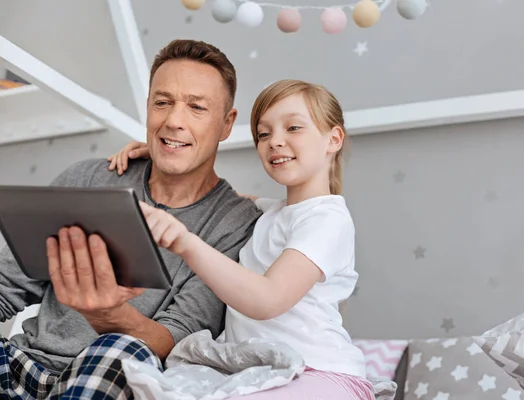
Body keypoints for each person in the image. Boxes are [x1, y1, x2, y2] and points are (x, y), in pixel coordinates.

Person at [0, 39, 262, 399]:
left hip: (114, 368)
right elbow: (5, 283)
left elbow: (173, 340)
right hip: (23, 362)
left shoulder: (237, 223)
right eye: (162, 103)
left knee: (122, 353)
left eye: (196, 107)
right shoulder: (89, 179)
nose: (173, 121)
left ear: (226, 123)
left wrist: (108, 314)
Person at [107, 79, 375, 399]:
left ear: (334, 139)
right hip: (265, 370)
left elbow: (268, 299)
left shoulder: (326, 220)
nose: (275, 141)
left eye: (293, 128)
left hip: (319, 371)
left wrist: (186, 242)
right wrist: (164, 153)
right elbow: (214, 192)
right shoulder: (271, 212)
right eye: (264, 133)